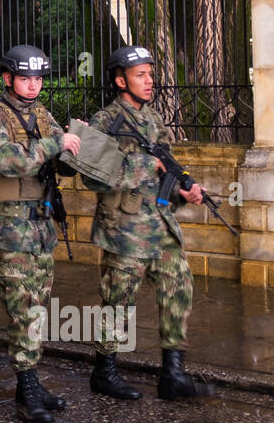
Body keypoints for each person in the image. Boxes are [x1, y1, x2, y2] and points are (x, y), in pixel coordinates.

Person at [82, 45, 213, 401]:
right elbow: (93, 176)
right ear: (119, 79)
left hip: (160, 224)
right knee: (118, 299)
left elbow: (167, 166)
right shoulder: (104, 121)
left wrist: (184, 190)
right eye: (141, 74)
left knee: (178, 290)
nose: (149, 80)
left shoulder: (153, 119)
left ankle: (172, 374)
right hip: (124, 227)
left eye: (150, 74)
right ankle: (104, 370)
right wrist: (143, 165)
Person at [0, 45, 81, 423]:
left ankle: (28, 385)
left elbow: (61, 163)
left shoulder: (42, 114)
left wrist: (74, 147)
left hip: (40, 227)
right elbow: (6, 160)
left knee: (37, 309)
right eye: (25, 78)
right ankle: (28, 389)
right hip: (9, 228)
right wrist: (56, 143)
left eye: (38, 78)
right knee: (22, 311)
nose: (33, 85)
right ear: (7, 79)